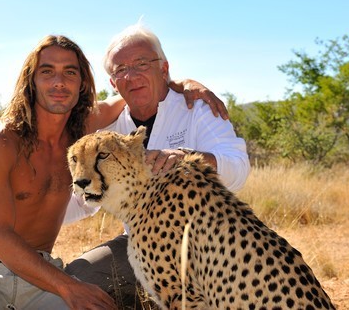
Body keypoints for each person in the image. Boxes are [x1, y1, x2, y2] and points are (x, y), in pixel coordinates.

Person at [0, 34, 227, 310]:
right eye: (47, 72)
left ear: (82, 84)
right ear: (31, 80)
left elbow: (135, 90)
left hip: (42, 276)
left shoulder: (82, 132)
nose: (59, 82)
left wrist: (180, 83)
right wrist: (70, 287)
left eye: (70, 72)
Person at [64, 24, 251, 308]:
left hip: (208, 242)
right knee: (76, 279)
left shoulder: (197, 108)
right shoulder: (110, 131)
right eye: (120, 69)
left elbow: (238, 168)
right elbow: (85, 199)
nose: (131, 75)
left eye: (141, 63)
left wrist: (189, 158)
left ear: (164, 69)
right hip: (139, 243)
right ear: (113, 83)